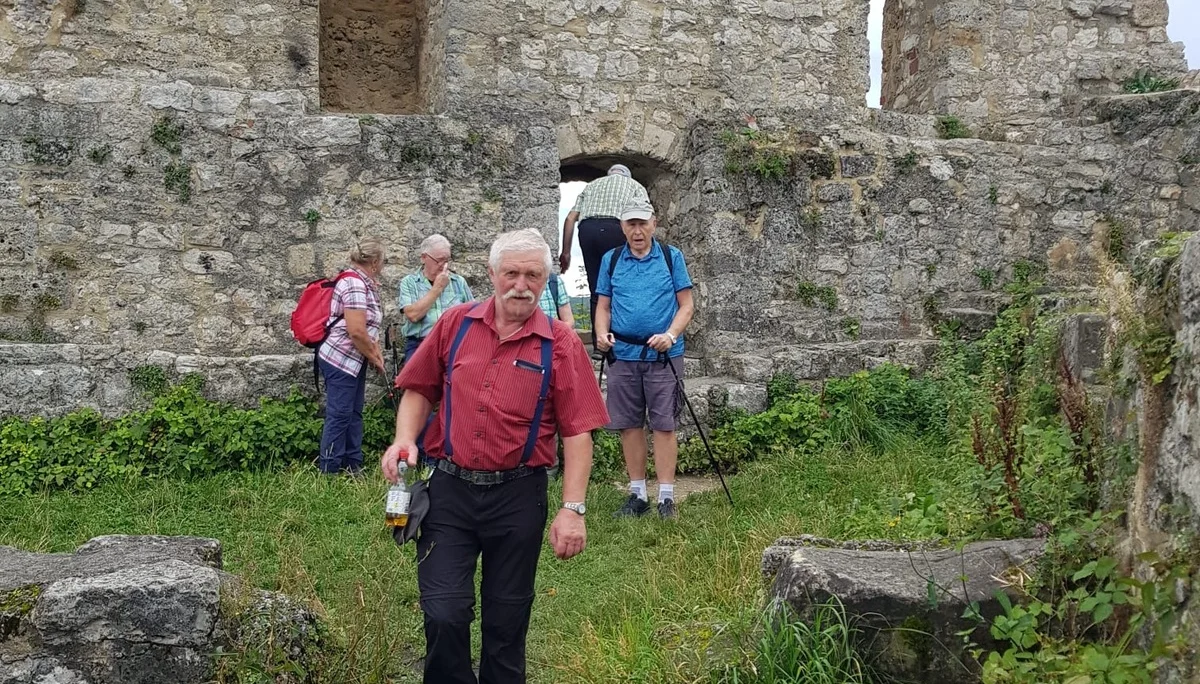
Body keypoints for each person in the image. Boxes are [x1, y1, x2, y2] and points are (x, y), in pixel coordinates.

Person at [382, 229, 609, 684]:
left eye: (533, 275)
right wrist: (404, 438)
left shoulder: (561, 344)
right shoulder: (456, 324)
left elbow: (578, 431)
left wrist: (573, 509)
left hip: (518, 497)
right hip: (448, 492)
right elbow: (419, 388)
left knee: (506, 622)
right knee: (444, 612)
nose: (521, 285)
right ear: (492, 273)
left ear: (546, 280)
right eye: (511, 273)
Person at [594, 197, 694, 520]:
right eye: (631, 224)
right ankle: (638, 494)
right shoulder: (611, 260)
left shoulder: (671, 257)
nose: (637, 231)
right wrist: (601, 334)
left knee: (664, 424)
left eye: (642, 224)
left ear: (653, 223)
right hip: (623, 355)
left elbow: (686, 305)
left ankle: (666, 498)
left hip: (663, 355)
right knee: (628, 424)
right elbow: (603, 307)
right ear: (622, 227)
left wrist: (671, 336)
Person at [318, 237, 388, 477]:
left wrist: (375, 352)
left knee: (354, 413)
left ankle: (352, 464)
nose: (383, 265)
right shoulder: (355, 284)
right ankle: (329, 469)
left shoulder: (364, 283)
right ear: (375, 262)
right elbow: (356, 331)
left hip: (354, 359)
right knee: (340, 414)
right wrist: (374, 357)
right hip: (340, 359)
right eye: (383, 261)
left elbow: (368, 329)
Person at [558, 164, 648, 335]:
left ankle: (599, 340)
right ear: (627, 176)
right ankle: (620, 336)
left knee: (596, 287)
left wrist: (566, 252)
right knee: (621, 285)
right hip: (615, 229)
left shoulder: (591, 186)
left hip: (587, 230)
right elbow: (643, 216)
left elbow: (570, 218)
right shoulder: (635, 186)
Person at [397, 234, 474, 363]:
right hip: (420, 343)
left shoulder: (458, 282)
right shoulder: (409, 282)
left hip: (454, 344)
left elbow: (473, 314)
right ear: (424, 258)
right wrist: (437, 288)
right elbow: (413, 315)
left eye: (447, 260)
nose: (444, 266)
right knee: (413, 375)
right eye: (439, 261)